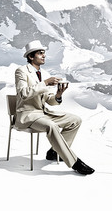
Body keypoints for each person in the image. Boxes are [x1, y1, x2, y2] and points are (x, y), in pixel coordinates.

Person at [15, 40, 95, 175]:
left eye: (44, 53)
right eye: (40, 53)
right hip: (27, 115)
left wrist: (58, 95)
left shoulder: (43, 74)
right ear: (30, 56)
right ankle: (73, 162)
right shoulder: (21, 71)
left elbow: (49, 100)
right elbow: (23, 94)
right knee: (51, 125)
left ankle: (54, 152)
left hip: (42, 113)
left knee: (75, 120)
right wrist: (45, 83)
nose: (44, 55)